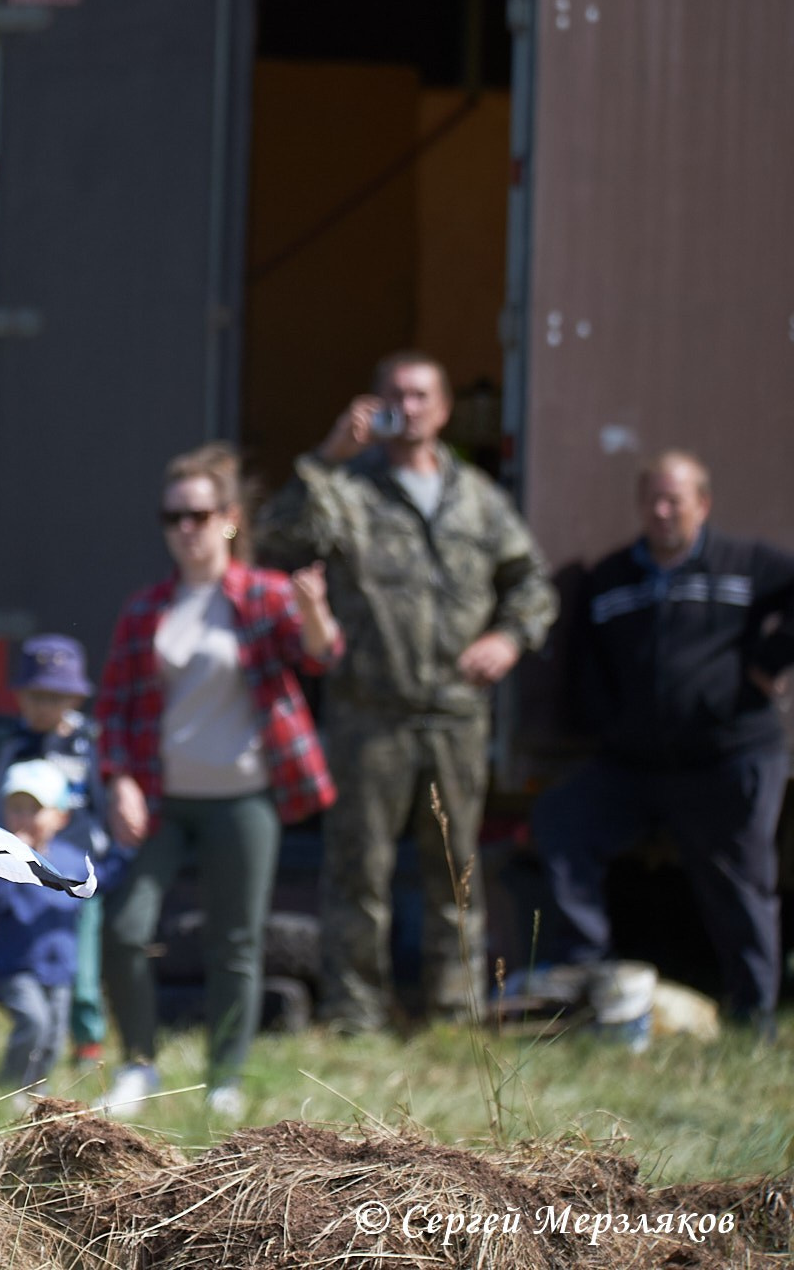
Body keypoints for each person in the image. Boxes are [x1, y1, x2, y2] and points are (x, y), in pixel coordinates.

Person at [255, 353, 556, 1032]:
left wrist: (508, 639)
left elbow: (531, 583)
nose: (407, 407)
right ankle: (356, 1011)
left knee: (455, 869)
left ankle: (452, 1010)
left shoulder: (477, 498)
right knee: (359, 870)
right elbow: (276, 539)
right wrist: (331, 453)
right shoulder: (349, 489)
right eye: (393, 395)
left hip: (455, 713)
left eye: (420, 396)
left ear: (444, 409)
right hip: (371, 713)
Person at [98, 445, 340, 1121]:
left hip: (244, 796)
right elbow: (113, 705)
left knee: (234, 940)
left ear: (229, 520)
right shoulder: (147, 608)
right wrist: (118, 782)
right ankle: (137, 1064)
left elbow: (320, 654)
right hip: (163, 799)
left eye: (199, 515)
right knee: (124, 927)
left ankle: (224, 1077)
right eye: (172, 516)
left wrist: (315, 610)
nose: (185, 528)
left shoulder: (261, 594)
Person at [531, 452, 794, 1028]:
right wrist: (611, 725)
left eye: (675, 499)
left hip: (727, 757)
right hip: (637, 765)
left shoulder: (744, 564)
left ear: (703, 504)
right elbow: (587, 666)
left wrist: (774, 658)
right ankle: (586, 985)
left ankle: (756, 1017)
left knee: (741, 882)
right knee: (562, 823)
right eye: (651, 499)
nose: (661, 510)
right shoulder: (611, 577)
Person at [0, 634, 110, 1059]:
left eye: (57, 697)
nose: (45, 706)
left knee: (80, 967)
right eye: (36, 696)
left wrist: (105, 860)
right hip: (23, 871)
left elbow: (101, 807)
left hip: (77, 873)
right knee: (28, 958)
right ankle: (31, 1047)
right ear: (20, 698)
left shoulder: (87, 746)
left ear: (75, 699)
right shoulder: (12, 748)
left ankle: (87, 1042)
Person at [0, 761, 96, 1096]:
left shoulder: (71, 859)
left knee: (55, 1035)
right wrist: (9, 860)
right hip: (17, 966)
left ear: (61, 816)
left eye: (35, 809)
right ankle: (9, 1086)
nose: (24, 818)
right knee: (33, 1021)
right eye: (15, 808)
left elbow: (83, 896)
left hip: (60, 966)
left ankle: (36, 1091)